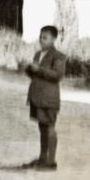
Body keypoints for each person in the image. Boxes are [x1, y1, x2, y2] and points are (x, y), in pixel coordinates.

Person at [22, 25, 66, 171]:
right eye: (41, 37)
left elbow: (57, 75)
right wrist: (28, 70)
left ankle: (51, 162)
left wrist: (39, 70)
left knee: (50, 127)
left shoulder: (58, 56)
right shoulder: (37, 54)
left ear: (54, 39)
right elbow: (36, 76)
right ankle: (43, 158)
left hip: (49, 98)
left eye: (45, 37)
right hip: (37, 97)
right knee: (42, 127)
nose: (42, 40)